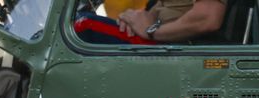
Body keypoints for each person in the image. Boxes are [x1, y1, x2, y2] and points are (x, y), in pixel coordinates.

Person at [74, 0, 226, 44]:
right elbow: (159, 12)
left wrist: (151, 32)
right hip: (162, 39)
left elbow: (208, 18)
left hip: (179, 46)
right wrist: (132, 20)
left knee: (83, 24)